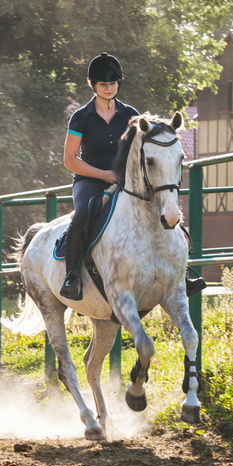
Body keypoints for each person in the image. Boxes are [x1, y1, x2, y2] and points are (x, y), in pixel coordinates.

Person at [60, 53, 140, 300]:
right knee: (83, 212)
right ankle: (71, 275)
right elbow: (70, 160)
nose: (109, 88)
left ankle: (178, 272)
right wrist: (104, 175)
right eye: (104, 84)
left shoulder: (130, 114)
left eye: (113, 83)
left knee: (158, 204)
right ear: (93, 85)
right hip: (90, 180)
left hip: (125, 179)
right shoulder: (81, 117)